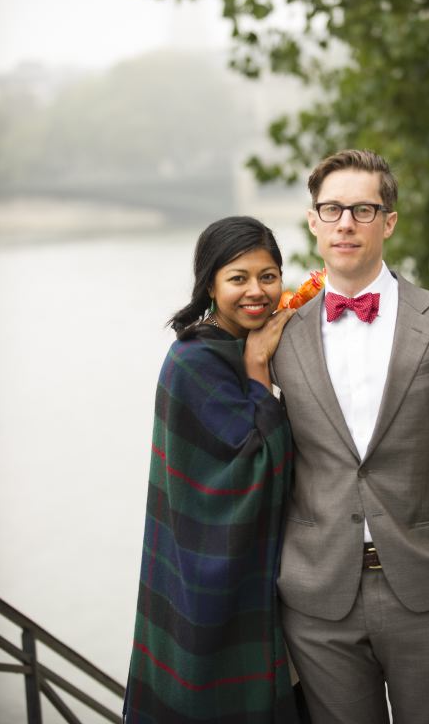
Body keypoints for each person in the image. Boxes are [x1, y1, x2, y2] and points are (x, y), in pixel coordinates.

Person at [272, 149, 429, 724]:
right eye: (332, 209)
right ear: (313, 221)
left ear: (389, 221)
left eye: (363, 209)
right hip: (317, 598)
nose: (346, 223)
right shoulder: (278, 334)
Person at [124, 216, 300, 724]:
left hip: (278, 579)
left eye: (268, 276)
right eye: (238, 278)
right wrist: (259, 369)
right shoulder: (193, 360)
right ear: (210, 284)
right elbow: (261, 463)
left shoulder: (260, 338)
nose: (256, 291)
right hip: (207, 580)